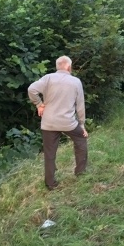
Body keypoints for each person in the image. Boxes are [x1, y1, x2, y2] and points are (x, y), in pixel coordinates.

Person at [28, 55, 88, 190]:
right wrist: (82, 125)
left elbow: (31, 89)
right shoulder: (75, 81)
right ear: (68, 67)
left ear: (57, 66)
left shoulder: (48, 78)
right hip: (68, 123)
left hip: (48, 123)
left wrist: (39, 104)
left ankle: (50, 183)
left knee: (49, 153)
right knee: (81, 139)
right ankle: (80, 172)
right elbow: (80, 106)